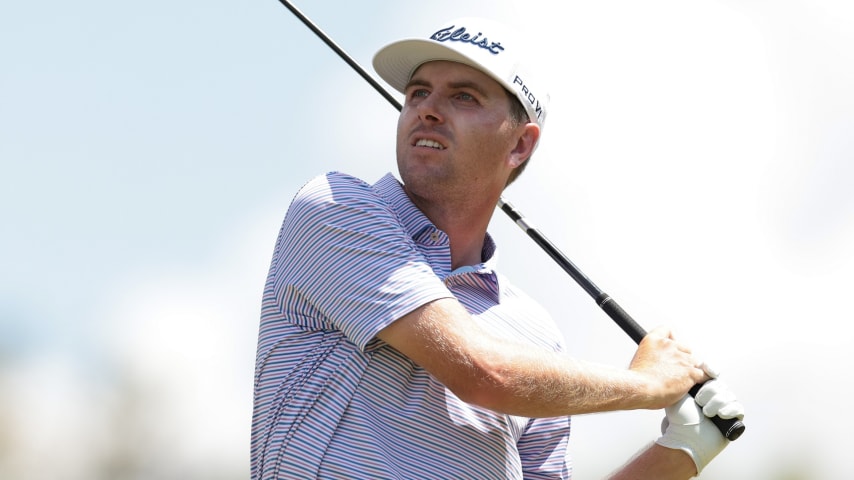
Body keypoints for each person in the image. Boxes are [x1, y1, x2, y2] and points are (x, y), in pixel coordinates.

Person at [251, 16, 744, 479]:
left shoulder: (536, 336)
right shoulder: (336, 209)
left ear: (520, 145)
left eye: (463, 96)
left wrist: (684, 451)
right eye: (418, 92)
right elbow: (483, 373)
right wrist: (649, 384)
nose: (426, 107)